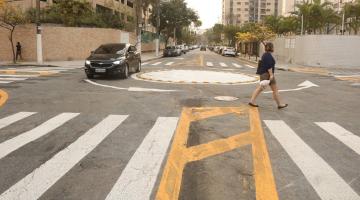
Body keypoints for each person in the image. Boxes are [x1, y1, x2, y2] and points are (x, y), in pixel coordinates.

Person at [249, 42, 288, 109]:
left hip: (266, 74)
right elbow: (269, 66)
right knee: (261, 88)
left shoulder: (266, 54)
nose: (273, 48)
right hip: (267, 74)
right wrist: (271, 75)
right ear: (271, 47)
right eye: (272, 46)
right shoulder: (267, 55)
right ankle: (252, 101)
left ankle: (279, 104)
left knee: (274, 89)